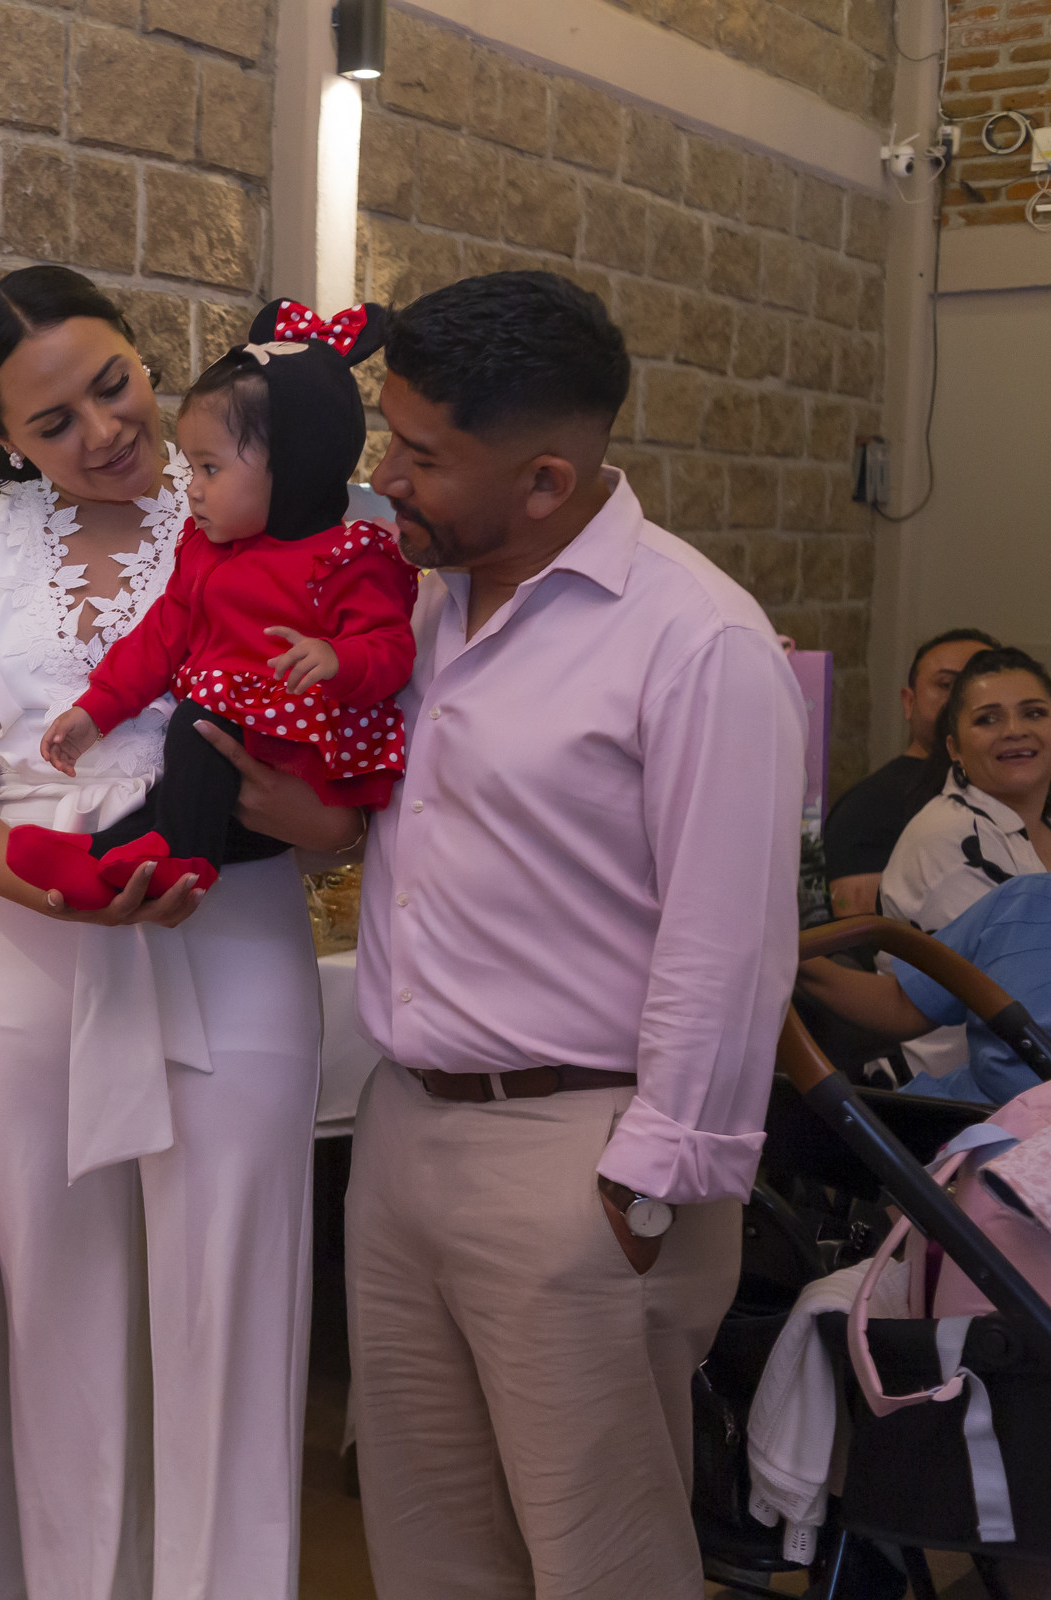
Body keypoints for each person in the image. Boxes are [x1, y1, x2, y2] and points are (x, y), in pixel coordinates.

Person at [327, 271, 804, 1600]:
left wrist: (642, 1187)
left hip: (580, 1153)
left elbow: (730, 943)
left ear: (544, 481)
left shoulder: (696, 639)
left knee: (602, 1564)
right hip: (406, 1127)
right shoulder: (423, 604)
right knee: (429, 1545)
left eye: (422, 456)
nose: (385, 478)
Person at [0, 264, 358, 1600]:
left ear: (146, 359)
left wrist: (314, 824)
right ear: (0, 435)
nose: (104, 432)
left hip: (235, 931)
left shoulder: (281, 510)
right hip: (40, 946)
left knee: (233, 1311)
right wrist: (51, 883)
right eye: (53, 423)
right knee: (61, 1317)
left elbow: (355, 776)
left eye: (115, 386)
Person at [8, 298, 415, 905]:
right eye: (192, 466)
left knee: (199, 725)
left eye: (210, 469)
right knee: (184, 777)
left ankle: (179, 856)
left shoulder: (346, 557)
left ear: (296, 468)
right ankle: (106, 858)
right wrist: (97, 710)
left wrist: (339, 659)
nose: (192, 488)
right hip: (224, 764)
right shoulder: (206, 548)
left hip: (301, 755)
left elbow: (392, 647)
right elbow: (159, 638)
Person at [876, 646, 1051, 1081]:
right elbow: (1023, 1001)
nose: (1015, 731)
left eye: (1034, 713)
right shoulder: (950, 837)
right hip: (964, 1099)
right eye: (988, 719)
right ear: (954, 747)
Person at [798, 871, 1051, 1105]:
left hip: (1014, 1128)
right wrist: (795, 959)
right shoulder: (1025, 898)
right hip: (949, 1115)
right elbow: (905, 1004)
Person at [823, 627, 997, 917]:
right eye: (947, 684)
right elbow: (863, 929)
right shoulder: (869, 806)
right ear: (909, 702)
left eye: (982, 683)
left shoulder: (1022, 793)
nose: (965, 699)